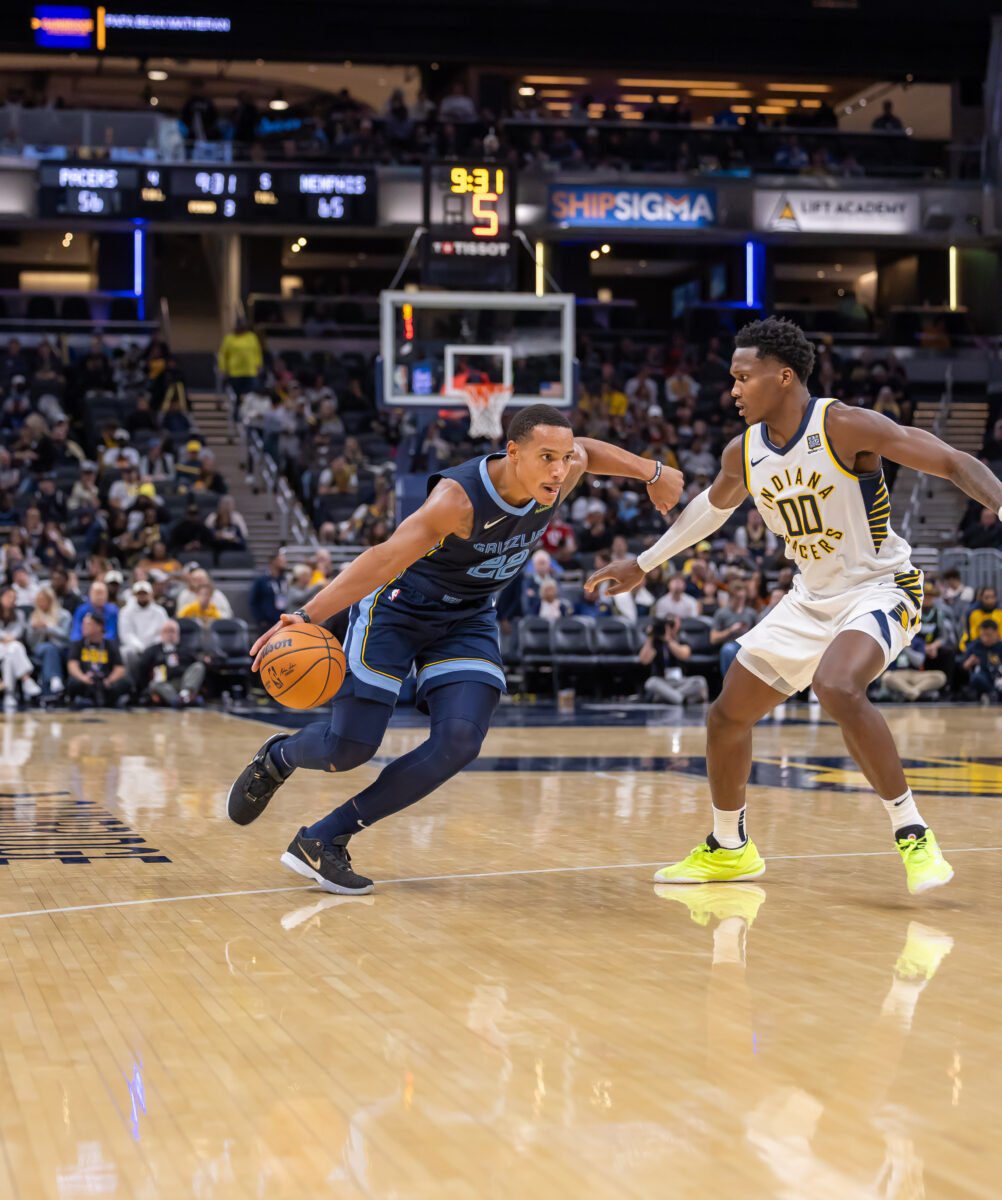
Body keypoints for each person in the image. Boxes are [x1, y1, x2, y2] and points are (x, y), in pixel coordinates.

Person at [589, 316, 1002, 896]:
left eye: (743, 377)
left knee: (837, 685)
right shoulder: (745, 450)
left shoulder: (844, 425)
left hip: (882, 587)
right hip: (810, 599)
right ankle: (729, 848)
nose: (732, 389)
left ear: (783, 377)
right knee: (726, 716)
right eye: (731, 379)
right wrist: (646, 561)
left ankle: (913, 833)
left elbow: (952, 461)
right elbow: (711, 508)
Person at [227, 404, 683, 893]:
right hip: (398, 611)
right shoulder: (457, 501)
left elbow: (589, 452)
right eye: (546, 456)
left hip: (467, 617)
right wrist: (305, 616)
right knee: (350, 748)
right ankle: (280, 757)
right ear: (512, 453)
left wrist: (651, 471)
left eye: (563, 457)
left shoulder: (564, 473)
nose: (558, 468)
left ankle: (325, 838)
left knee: (461, 740)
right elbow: (381, 560)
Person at [135, 619, 206, 708]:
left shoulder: (185, 649)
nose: (170, 634)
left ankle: (185, 695)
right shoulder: (153, 650)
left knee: (199, 666)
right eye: (166, 631)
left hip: (183, 682)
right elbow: (142, 669)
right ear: (161, 634)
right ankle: (179, 700)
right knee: (154, 684)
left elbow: (196, 665)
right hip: (164, 684)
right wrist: (147, 692)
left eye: (172, 631)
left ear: (178, 634)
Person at [66, 611, 130, 707]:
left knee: (125, 682)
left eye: (88, 624)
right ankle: (80, 700)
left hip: (106, 681)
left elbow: (120, 668)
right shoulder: (78, 644)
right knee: (73, 683)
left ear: (99, 626)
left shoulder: (110, 645)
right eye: (83, 624)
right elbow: (72, 665)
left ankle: (113, 701)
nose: (83, 627)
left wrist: (109, 680)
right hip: (86, 680)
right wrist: (83, 678)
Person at [640, 616, 709, 705]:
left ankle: (667, 698)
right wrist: (650, 637)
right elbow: (644, 660)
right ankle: (681, 699)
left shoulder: (681, 640)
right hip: (662, 681)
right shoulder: (655, 642)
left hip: (681, 681)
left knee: (700, 681)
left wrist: (668, 640)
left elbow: (683, 655)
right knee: (650, 683)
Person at [0, 587, 42, 711]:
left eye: (14, 597)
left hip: (11, 647)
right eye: (8, 596)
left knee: (11, 654)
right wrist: (4, 637)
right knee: (15, 647)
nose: (11, 600)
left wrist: (10, 638)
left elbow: (19, 631)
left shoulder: (20, 614)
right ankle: (26, 679)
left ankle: (9, 695)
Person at [26, 584, 71, 698]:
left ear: (51, 600)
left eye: (44, 600)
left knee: (51, 650)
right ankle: (55, 679)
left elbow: (66, 636)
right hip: (40, 650)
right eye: (39, 601)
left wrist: (48, 628)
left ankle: (48, 690)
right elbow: (30, 643)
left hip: (62, 649)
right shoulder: (34, 616)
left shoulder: (64, 615)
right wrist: (34, 630)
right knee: (48, 649)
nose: (41, 604)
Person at [118, 580, 169, 670]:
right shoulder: (126, 612)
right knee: (126, 652)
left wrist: (151, 648)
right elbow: (126, 634)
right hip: (135, 649)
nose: (142, 596)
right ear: (135, 595)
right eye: (139, 594)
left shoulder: (160, 612)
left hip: (155, 648)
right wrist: (140, 647)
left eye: (144, 593)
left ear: (151, 594)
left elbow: (164, 632)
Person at [217, 319, 263, 414]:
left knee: (251, 396)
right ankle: (236, 415)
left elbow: (257, 352)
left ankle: (250, 415)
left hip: (250, 372)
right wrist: (223, 369)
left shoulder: (251, 337)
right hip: (235, 373)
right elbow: (222, 355)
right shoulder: (229, 338)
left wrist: (259, 364)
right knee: (237, 397)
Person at [961, 619, 1002, 704]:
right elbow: (964, 666)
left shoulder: (1000, 646)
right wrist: (970, 662)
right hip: (984, 676)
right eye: (983, 635)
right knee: (976, 678)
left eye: (989, 635)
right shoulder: (975, 646)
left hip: (998, 676)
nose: (985, 638)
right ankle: (991, 694)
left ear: (996, 633)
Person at [249, 552, 288, 632]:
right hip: (267, 623)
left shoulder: (284, 579)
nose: (285, 562)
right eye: (282, 560)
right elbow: (253, 601)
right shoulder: (261, 581)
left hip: (283, 620)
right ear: (274, 561)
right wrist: (260, 620)